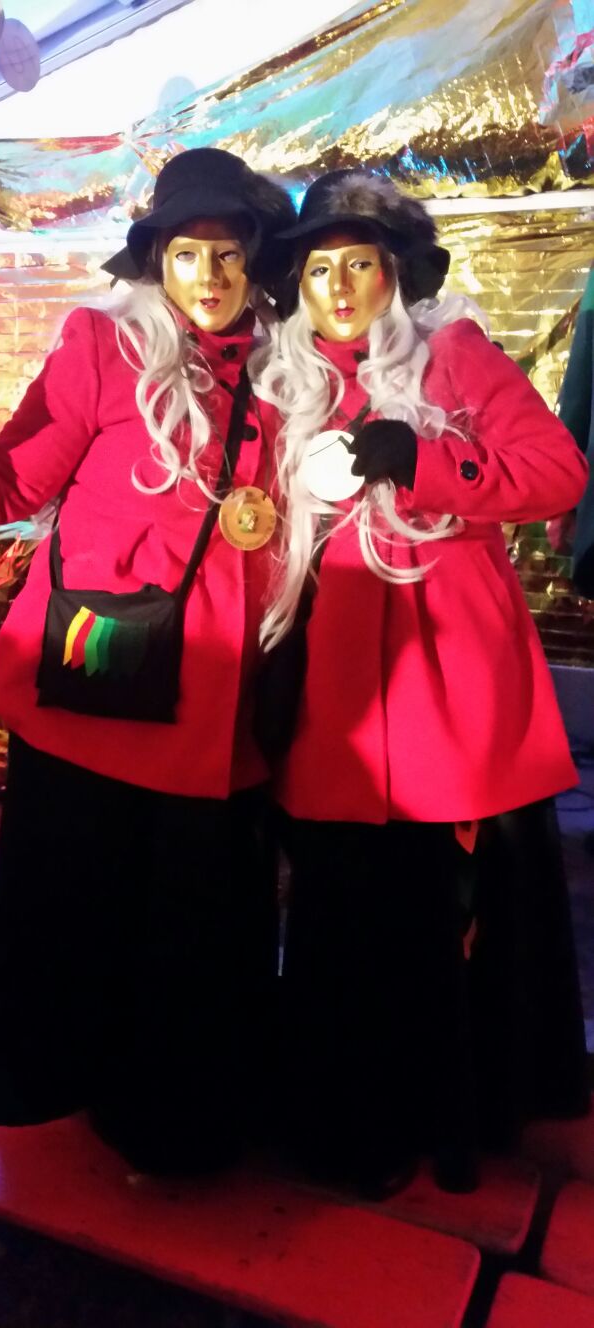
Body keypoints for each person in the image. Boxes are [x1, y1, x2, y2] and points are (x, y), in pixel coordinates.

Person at [0, 149, 295, 1176]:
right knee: (84, 911)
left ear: (257, 260)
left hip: (226, 705)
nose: (210, 275)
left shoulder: (296, 367)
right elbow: (4, 483)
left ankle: (174, 1131)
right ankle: (73, 1096)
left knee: (190, 929)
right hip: (101, 691)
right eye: (187, 253)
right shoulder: (103, 346)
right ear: (156, 261)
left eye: (229, 253)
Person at [256, 170, 590, 1198]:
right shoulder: (284, 378)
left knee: (445, 907)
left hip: (446, 676)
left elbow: (558, 471)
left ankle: (452, 1116)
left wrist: (427, 459)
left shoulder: (454, 355)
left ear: (395, 275)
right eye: (318, 268)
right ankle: (352, 1116)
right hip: (335, 674)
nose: (338, 286)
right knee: (345, 902)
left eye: (358, 264)